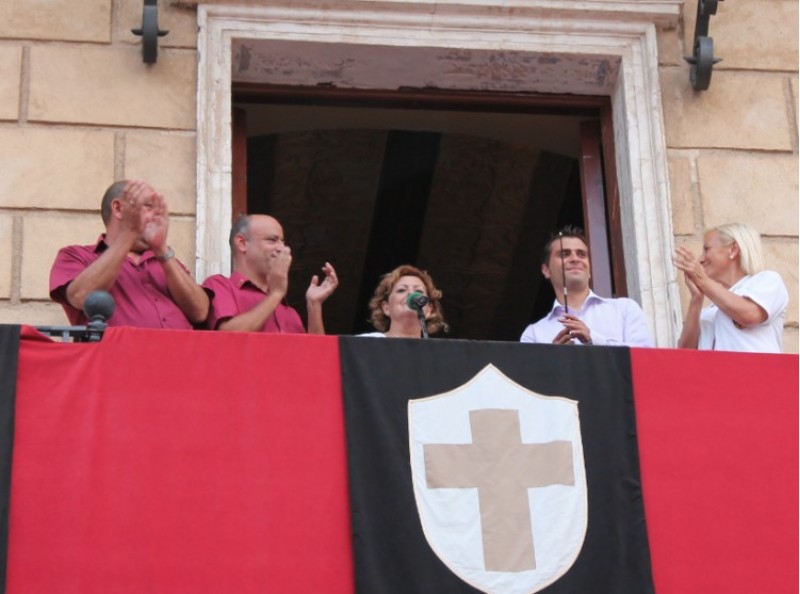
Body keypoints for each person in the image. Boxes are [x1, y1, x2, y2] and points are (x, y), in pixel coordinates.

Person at [49, 180, 210, 329]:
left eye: (158, 209)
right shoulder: (76, 255)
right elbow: (80, 297)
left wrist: (162, 250)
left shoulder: (166, 261)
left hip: (180, 357)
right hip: (117, 357)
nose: (156, 216)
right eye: (148, 207)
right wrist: (129, 234)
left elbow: (200, 312)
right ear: (118, 209)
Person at [520, 226, 654, 347]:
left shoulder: (625, 310)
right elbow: (527, 374)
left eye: (581, 254)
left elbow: (645, 358)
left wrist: (593, 339)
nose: (575, 259)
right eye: (564, 254)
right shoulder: (533, 335)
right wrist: (554, 358)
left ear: (590, 269)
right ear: (546, 270)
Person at [202, 214, 338, 334]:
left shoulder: (290, 313)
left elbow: (316, 358)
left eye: (282, 241)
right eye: (272, 240)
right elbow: (227, 338)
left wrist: (314, 305)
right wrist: (276, 294)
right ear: (242, 243)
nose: (282, 248)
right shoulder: (220, 285)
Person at [673, 222, 788, 353]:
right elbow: (684, 355)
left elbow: (750, 315)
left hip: (756, 372)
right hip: (716, 373)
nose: (700, 259)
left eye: (707, 249)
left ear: (733, 249)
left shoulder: (768, 280)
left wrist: (702, 280)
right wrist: (696, 299)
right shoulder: (710, 309)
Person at [361, 264, 447, 338]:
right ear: (386, 308)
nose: (411, 294)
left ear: (429, 310)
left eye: (418, 291)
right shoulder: (364, 343)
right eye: (401, 290)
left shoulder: (435, 351)